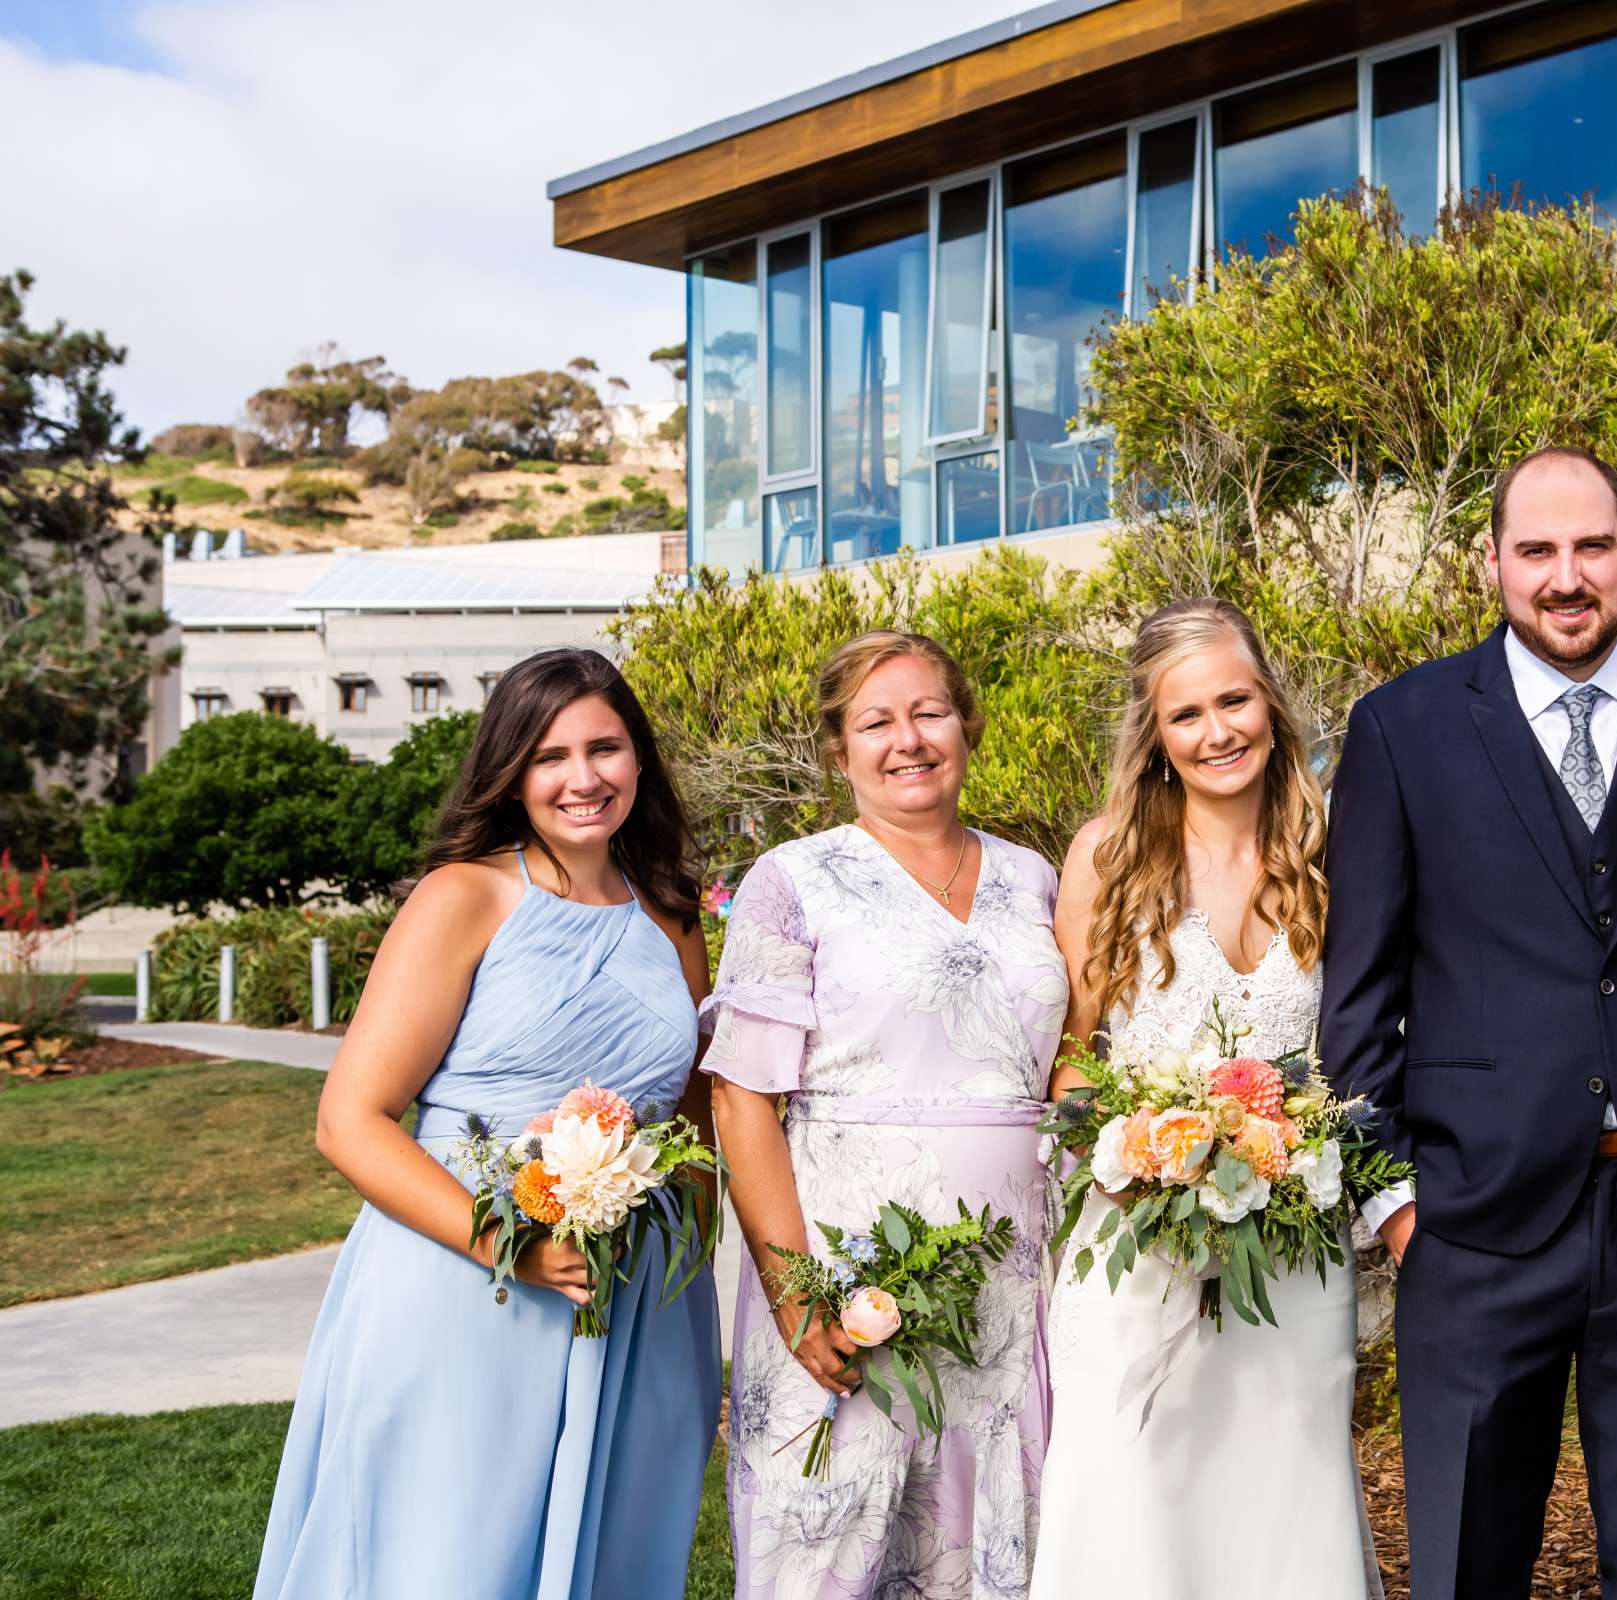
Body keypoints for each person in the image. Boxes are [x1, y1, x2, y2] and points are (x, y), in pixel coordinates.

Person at [1321, 445, 1617, 1600]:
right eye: (1537, 549)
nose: (1567, 576)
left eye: (1592, 545)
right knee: (1465, 1566)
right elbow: (1360, 991)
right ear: (1493, 560)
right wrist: (1397, 1204)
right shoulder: (1403, 727)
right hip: (1474, 1219)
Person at [255, 648, 720, 1600]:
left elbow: (694, 1121)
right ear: (512, 770)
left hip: (639, 1303)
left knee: (620, 1551)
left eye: (606, 748)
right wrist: (506, 1244)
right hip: (471, 1284)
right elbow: (350, 1119)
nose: (583, 778)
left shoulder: (673, 916)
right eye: (551, 756)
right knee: (449, 1557)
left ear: (640, 760)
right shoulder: (465, 896)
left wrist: (689, 1283)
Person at [1032, 597, 1398, 1600]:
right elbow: (1075, 1064)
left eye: (1234, 700)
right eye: (1186, 714)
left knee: (1287, 1503)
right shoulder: (1106, 855)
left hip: (1294, 1254)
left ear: (1271, 705)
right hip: (1138, 1249)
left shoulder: (1332, 850)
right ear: (1155, 733)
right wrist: (1143, 1163)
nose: (1217, 730)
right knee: (1138, 1504)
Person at [706, 630, 1067, 1600]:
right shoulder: (794, 882)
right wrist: (794, 1295)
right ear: (839, 750)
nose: (907, 739)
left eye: (928, 713)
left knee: (1001, 1549)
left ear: (966, 726)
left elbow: (1070, 1056)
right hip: (850, 1275)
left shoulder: (1034, 877)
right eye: (877, 721)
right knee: (830, 1544)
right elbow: (741, 1098)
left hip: (1008, 1282)